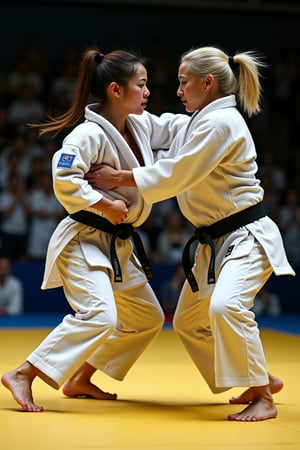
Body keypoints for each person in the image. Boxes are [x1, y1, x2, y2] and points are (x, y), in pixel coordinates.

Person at [87, 46, 295, 422]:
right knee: (187, 323)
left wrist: (120, 177)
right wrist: (111, 115)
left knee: (226, 306)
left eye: (184, 83)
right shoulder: (199, 121)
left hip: (246, 236)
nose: (178, 91)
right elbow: (155, 126)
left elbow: (177, 172)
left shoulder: (221, 124)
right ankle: (255, 377)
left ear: (208, 82)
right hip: (214, 242)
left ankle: (263, 395)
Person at [1, 48, 188, 412]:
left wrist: (212, 117)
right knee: (100, 314)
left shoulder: (140, 124)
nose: (148, 92)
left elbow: (176, 126)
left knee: (147, 318)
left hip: (117, 246)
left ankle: (82, 376)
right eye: (141, 85)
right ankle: (24, 373)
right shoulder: (87, 134)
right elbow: (64, 178)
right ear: (116, 90)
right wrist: (105, 204)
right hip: (83, 240)